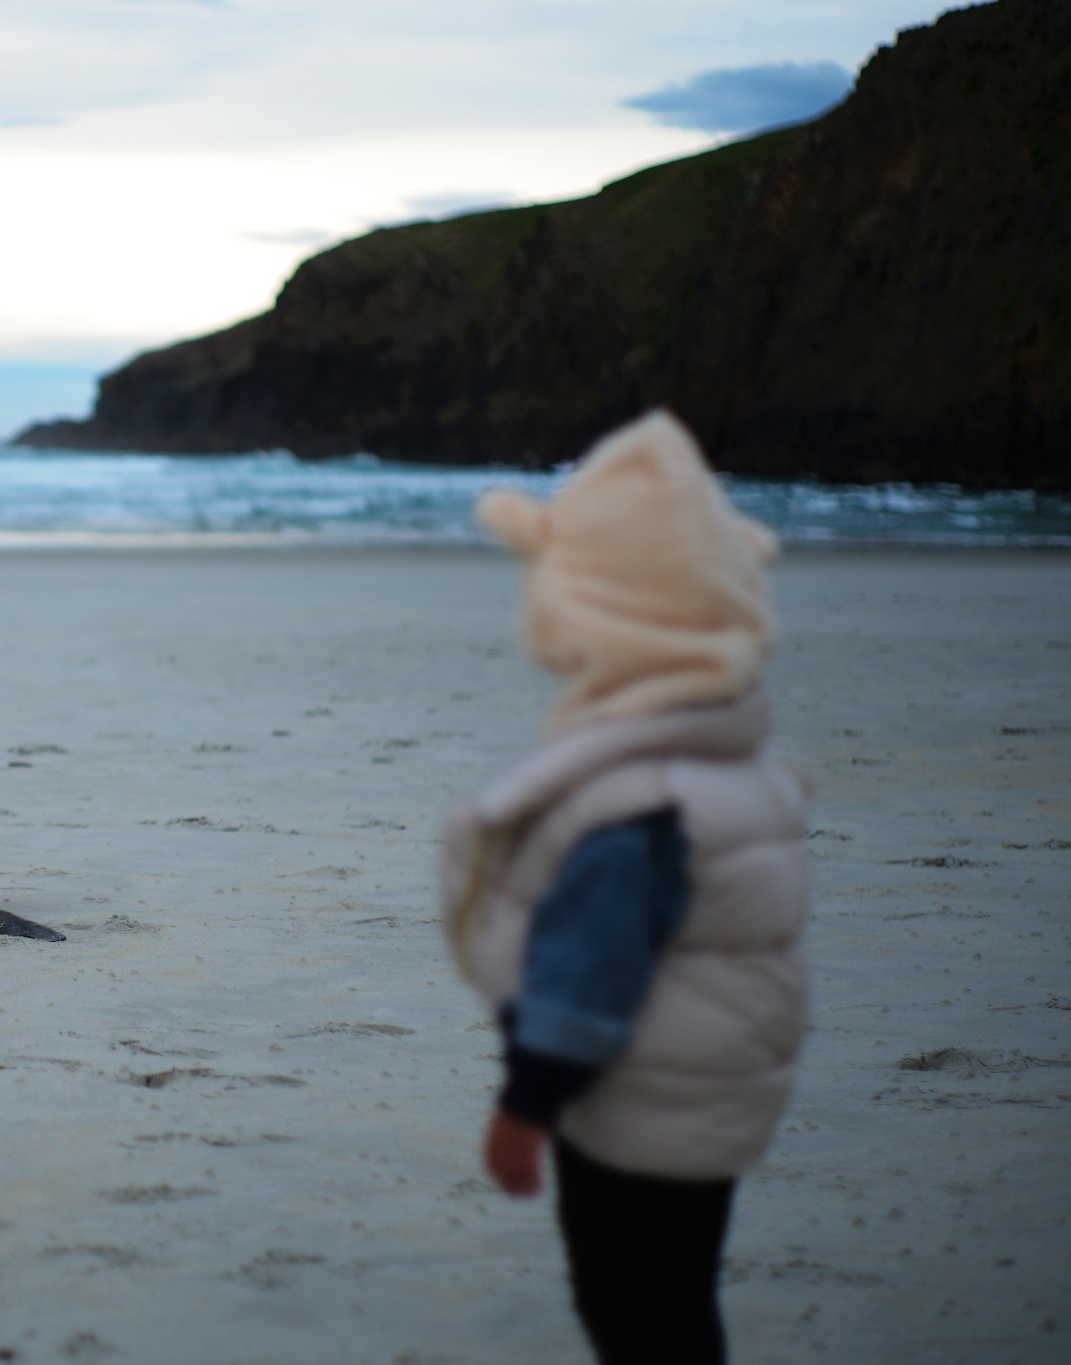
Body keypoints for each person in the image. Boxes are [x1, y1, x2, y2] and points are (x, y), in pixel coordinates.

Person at [439, 410, 811, 1365]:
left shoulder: (628, 796)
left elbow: (588, 976)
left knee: (628, 1307)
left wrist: (524, 1108)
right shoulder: (737, 758)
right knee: (681, 1296)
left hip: (634, 1107)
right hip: (715, 1100)